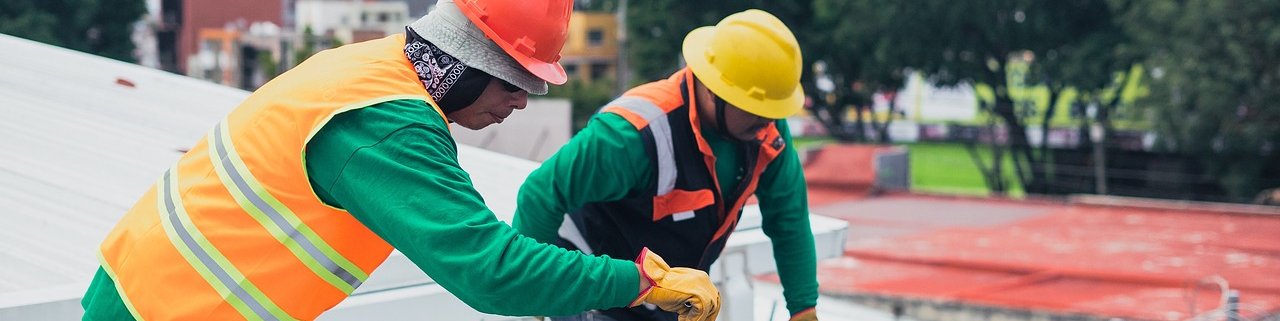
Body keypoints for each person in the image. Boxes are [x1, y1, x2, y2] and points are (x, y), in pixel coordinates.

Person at [80, 1, 720, 320]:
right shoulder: (387, 126)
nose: (522, 103)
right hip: (167, 308)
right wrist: (640, 281)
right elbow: (487, 269)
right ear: (469, 64)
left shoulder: (378, 66)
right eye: (515, 83)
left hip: (148, 289)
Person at [513, 9, 819, 321]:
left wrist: (803, 308)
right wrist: (535, 297)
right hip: (594, 290)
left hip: (668, 297)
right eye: (755, 109)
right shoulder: (633, 134)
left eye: (773, 111)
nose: (767, 121)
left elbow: (789, 221)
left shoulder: (766, 134)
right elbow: (540, 194)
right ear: (715, 90)